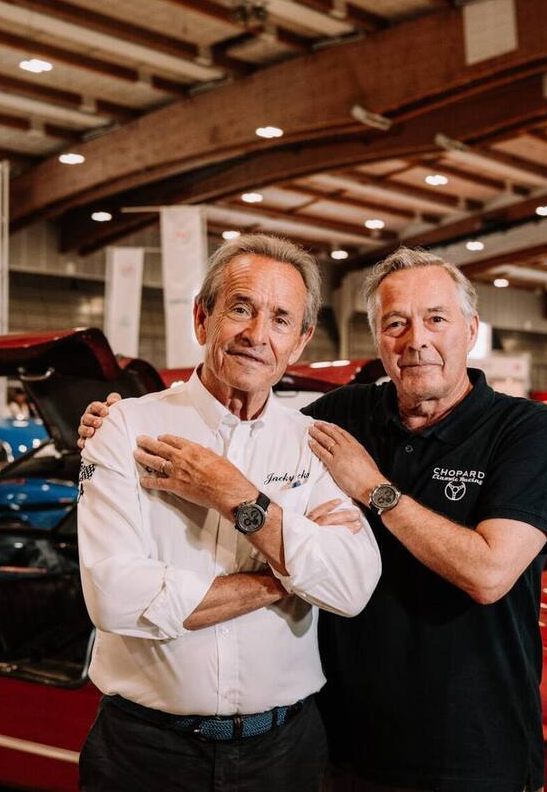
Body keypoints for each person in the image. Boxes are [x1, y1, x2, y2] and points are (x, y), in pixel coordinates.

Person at [81, 246, 547, 792]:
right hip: (339, 746)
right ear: (202, 317)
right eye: (395, 323)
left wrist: (367, 491)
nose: (417, 340)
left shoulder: (525, 430)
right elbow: (116, 596)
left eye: (436, 319)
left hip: (471, 748)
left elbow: (478, 575)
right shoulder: (332, 421)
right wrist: (110, 425)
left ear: (471, 328)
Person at [76, 234, 382, 792]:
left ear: (301, 340)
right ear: (202, 318)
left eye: (281, 319)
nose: (257, 335)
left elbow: (354, 584)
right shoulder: (126, 429)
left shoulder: (313, 444)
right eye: (240, 308)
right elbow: (115, 597)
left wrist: (238, 498)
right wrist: (286, 576)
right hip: (145, 754)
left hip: (285, 755)